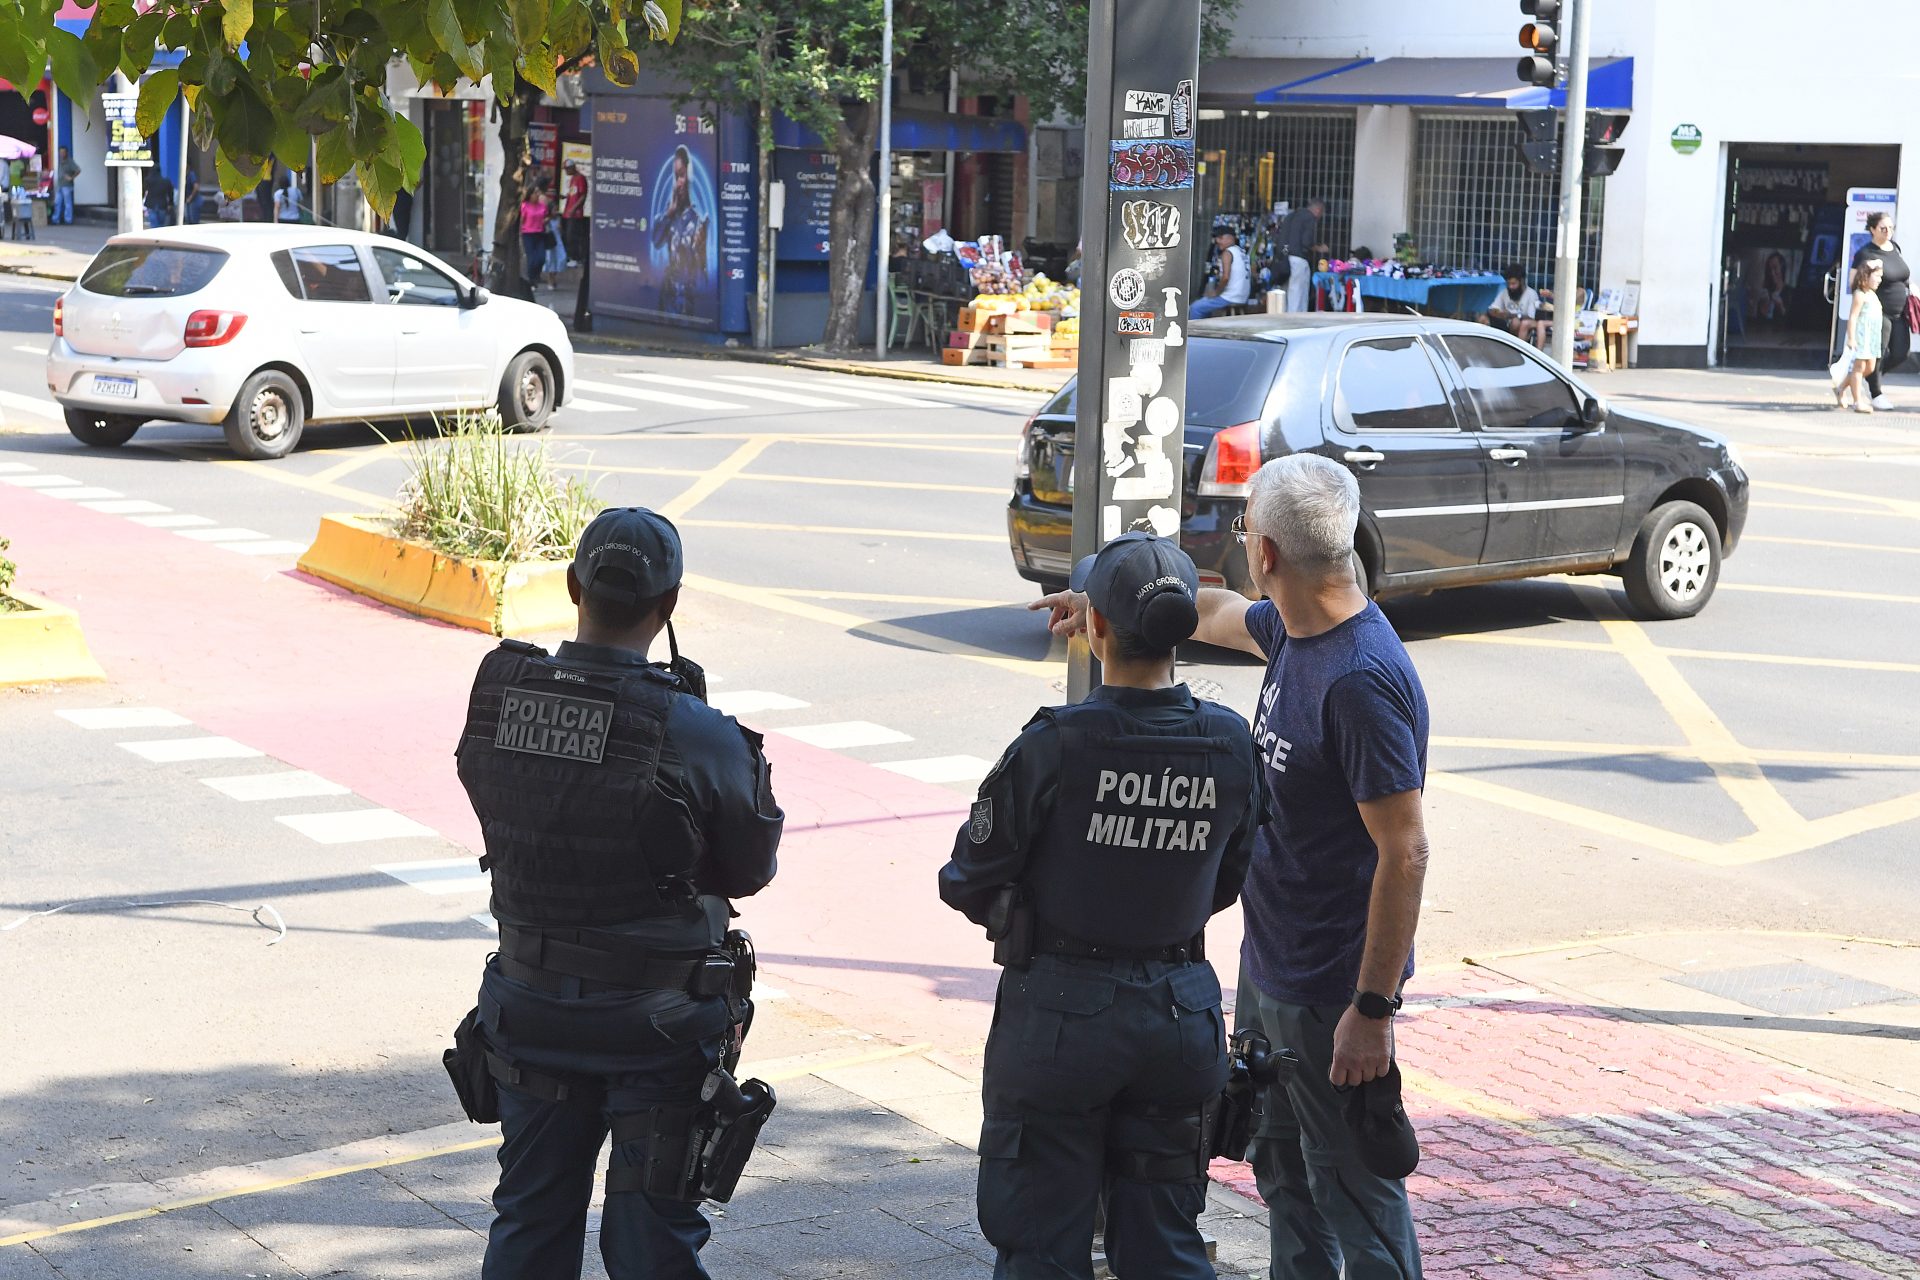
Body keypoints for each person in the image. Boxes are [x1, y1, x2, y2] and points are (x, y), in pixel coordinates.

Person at [1041, 455, 1432, 1279]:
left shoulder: (1360, 679)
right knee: (1283, 1172)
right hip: (1272, 970)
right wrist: (1105, 609)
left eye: (1246, 529)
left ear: (1269, 553)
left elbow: (1407, 852)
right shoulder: (1296, 627)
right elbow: (1212, 614)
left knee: (1355, 1196)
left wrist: (1372, 1009)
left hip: (1333, 989)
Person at [451, 507, 784, 1279]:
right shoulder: (695, 729)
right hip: (657, 1029)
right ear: (668, 606)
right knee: (649, 1244)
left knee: (530, 1220)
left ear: (574, 587)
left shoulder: (501, 695)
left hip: (529, 1010)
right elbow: (750, 871)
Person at [947, 531, 1264, 1280]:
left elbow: (968, 876)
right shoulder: (1229, 742)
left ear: (1092, 628)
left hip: (1061, 1016)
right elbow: (1229, 880)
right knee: (1164, 1246)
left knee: (1041, 1245)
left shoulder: (1057, 743)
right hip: (1180, 1015)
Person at [1851, 212, 1910, 409]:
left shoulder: (1895, 248)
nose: (1888, 232)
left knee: (1902, 352)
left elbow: (1902, 274)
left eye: (1891, 228)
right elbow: (1853, 282)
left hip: (1900, 311)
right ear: (1872, 230)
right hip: (1878, 311)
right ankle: (1876, 393)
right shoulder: (1865, 253)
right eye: (1883, 228)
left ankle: (1859, 379)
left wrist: (1913, 288)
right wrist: (1867, 274)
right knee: (1878, 352)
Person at [1840, 258, 1885, 414]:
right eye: (1877, 276)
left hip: (1872, 337)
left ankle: (1841, 387)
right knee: (1858, 368)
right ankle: (1857, 401)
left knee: (1870, 367)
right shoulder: (1859, 294)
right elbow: (1853, 316)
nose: (1879, 280)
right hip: (1861, 336)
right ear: (1866, 275)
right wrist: (1852, 338)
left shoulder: (1872, 294)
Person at [1189, 224, 1253, 320]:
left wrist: (1216, 292)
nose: (1217, 241)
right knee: (1206, 306)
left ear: (1230, 238)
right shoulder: (1241, 252)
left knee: (1195, 308)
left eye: (1220, 238)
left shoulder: (1227, 253)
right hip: (1243, 297)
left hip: (1230, 297)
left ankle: (1195, 333)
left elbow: (1226, 277)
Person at [1278, 198, 1324, 313]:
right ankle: (1296, 322)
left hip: (1284, 259)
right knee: (1298, 294)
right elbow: (1306, 242)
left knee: (1286, 293)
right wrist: (1320, 248)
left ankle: (1283, 320)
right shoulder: (1309, 218)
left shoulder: (1290, 216)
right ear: (1318, 210)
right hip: (1299, 259)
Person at [1480, 267, 1542, 347]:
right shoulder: (1505, 292)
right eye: (1508, 284)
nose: (1510, 287)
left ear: (1522, 281)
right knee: (1483, 318)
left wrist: (1511, 315)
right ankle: (1484, 346)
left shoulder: (1531, 294)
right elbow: (1493, 308)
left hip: (1520, 328)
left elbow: (1532, 317)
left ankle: (1514, 347)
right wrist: (1496, 312)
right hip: (1504, 325)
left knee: (1515, 322)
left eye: (1513, 284)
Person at [520, 176, 551, 291]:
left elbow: (545, 218)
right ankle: (531, 280)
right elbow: (522, 221)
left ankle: (536, 275)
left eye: (538, 193)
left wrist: (547, 220)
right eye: (535, 193)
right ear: (530, 195)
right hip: (528, 234)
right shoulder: (525, 206)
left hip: (540, 233)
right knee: (532, 258)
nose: (537, 195)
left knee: (541, 258)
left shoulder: (542, 206)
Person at [561, 159, 588, 268]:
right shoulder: (573, 179)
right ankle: (571, 256)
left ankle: (576, 258)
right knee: (566, 235)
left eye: (567, 169)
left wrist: (574, 208)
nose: (566, 172)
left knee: (572, 236)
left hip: (575, 214)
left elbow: (582, 195)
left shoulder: (581, 178)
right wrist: (566, 196)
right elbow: (574, 193)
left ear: (572, 168)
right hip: (568, 212)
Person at [51, 147, 78, 225]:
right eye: (61, 152)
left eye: (63, 152)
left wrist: (71, 178)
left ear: (66, 153)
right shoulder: (60, 162)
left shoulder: (69, 162)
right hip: (60, 185)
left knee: (67, 203)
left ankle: (68, 220)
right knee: (57, 202)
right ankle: (55, 219)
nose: (62, 154)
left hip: (67, 185)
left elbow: (78, 170)